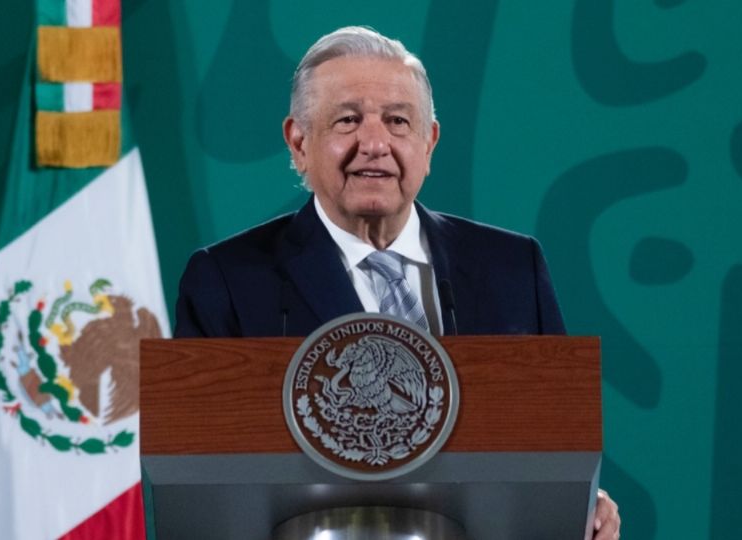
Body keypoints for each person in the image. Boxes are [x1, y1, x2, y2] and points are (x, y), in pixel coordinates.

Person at [174, 26, 620, 539]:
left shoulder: (512, 267)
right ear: (299, 142)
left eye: (397, 121)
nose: (375, 143)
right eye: (348, 120)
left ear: (428, 143)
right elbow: (205, 476)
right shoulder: (228, 280)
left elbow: (553, 444)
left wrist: (581, 501)